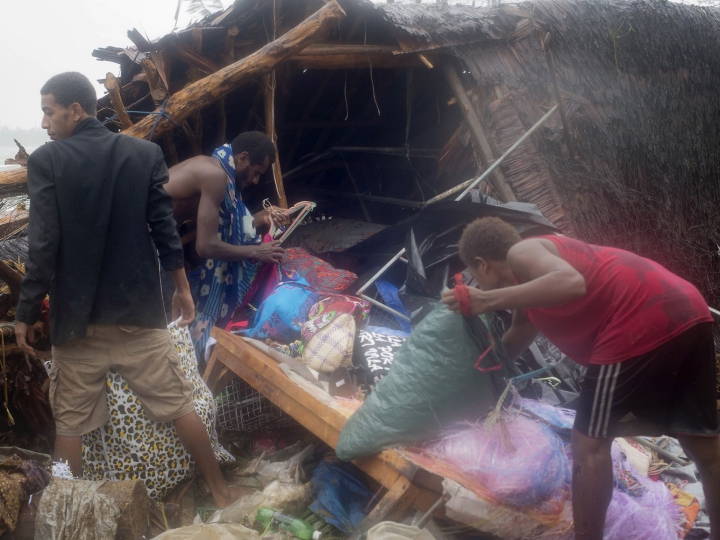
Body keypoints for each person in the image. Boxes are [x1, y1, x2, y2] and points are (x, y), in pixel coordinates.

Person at [14, 72, 237, 508]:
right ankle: (222, 491)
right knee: (179, 403)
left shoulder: (47, 161)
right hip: (140, 317)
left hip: (77, 325)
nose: (43, 124)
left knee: (71, 425)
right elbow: (163, 230)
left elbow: (43, 245)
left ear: (75, 110)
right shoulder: (144, 153)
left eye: (47, 111)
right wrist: (182, 289)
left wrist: (24, 312)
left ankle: (64, 513)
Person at [441, 216, 719, 540]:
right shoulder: (529, 293)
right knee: (704, 449)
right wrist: (474, 376)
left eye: (474, 276)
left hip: (639, 315)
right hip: (687, 308)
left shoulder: (522, 252)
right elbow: (517, 336)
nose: (476, 285)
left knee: (588, 444)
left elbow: (571, 282)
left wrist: (486, 300)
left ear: (481, 264)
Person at [164, 132, 288, 362]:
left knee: (168, 320)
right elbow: (205, 246)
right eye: (257, 172)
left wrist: (263, 217)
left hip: (152, 240)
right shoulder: (216, 175)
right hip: (140, 240)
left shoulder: (217, 169)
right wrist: (257, 251)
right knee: (162, 327)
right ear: (242, 158)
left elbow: (233, 223)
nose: (255, 181)